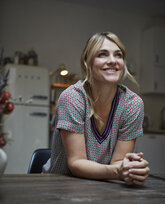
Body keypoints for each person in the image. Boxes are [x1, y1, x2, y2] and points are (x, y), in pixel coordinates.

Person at [43, 31, 150, 185]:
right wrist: (119, 171)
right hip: (59, 186)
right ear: (87, 62)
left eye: (118, 55)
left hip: (105, 187)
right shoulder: (73, 97)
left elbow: (119, 161)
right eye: (103, 54)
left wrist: (130, 169)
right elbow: (76, 163)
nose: (113, 61)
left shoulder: (132, 104)